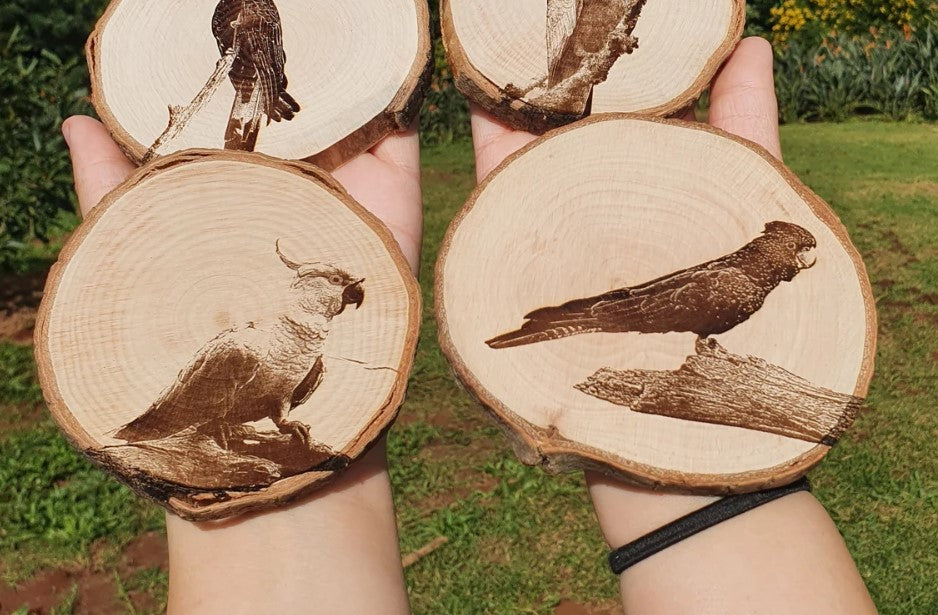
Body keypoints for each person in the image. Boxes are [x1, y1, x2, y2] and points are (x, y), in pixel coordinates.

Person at [62, 37, 877, 614]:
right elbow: (649, 304)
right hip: (633, 324)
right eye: (796, 251)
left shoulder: (740, 278)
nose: (801, 262)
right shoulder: (735, 283)